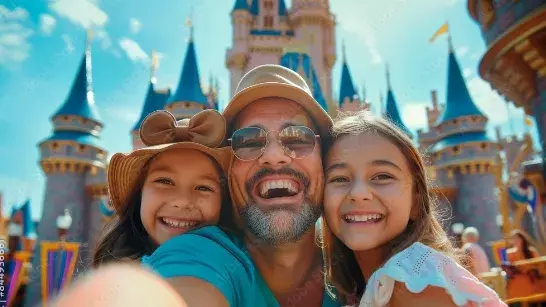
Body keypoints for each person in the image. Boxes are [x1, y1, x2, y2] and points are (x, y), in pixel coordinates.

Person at [141, 64, 338, 306]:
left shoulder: (364, 263)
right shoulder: (200, 254)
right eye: (249, 141)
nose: (274, 155)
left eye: (298, 138)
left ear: (325, 161)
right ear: (229, 172)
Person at [321, 111, 506, 306]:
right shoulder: (382, 284)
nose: (358, 193)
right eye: (339, 178)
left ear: (416, 201)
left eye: (382, 176)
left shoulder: (413, 282)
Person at [92, 109, 234, 265]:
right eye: (165, 181)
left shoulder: (234, 271)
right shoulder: (115, 278)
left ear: (223, 202)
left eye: (203, 187)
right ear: (140, 193)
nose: (183, 201)